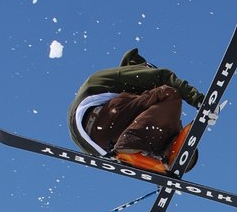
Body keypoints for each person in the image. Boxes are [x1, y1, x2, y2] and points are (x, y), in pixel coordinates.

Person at [67, 48, 206, 173]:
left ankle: (152, 157)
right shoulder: (128, 77)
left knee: (156, 120)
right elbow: (163, 77)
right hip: (99, 119)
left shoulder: (128, 102)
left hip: (98, 138)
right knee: (169, 94)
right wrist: (199, 101)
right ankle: (162, 151)